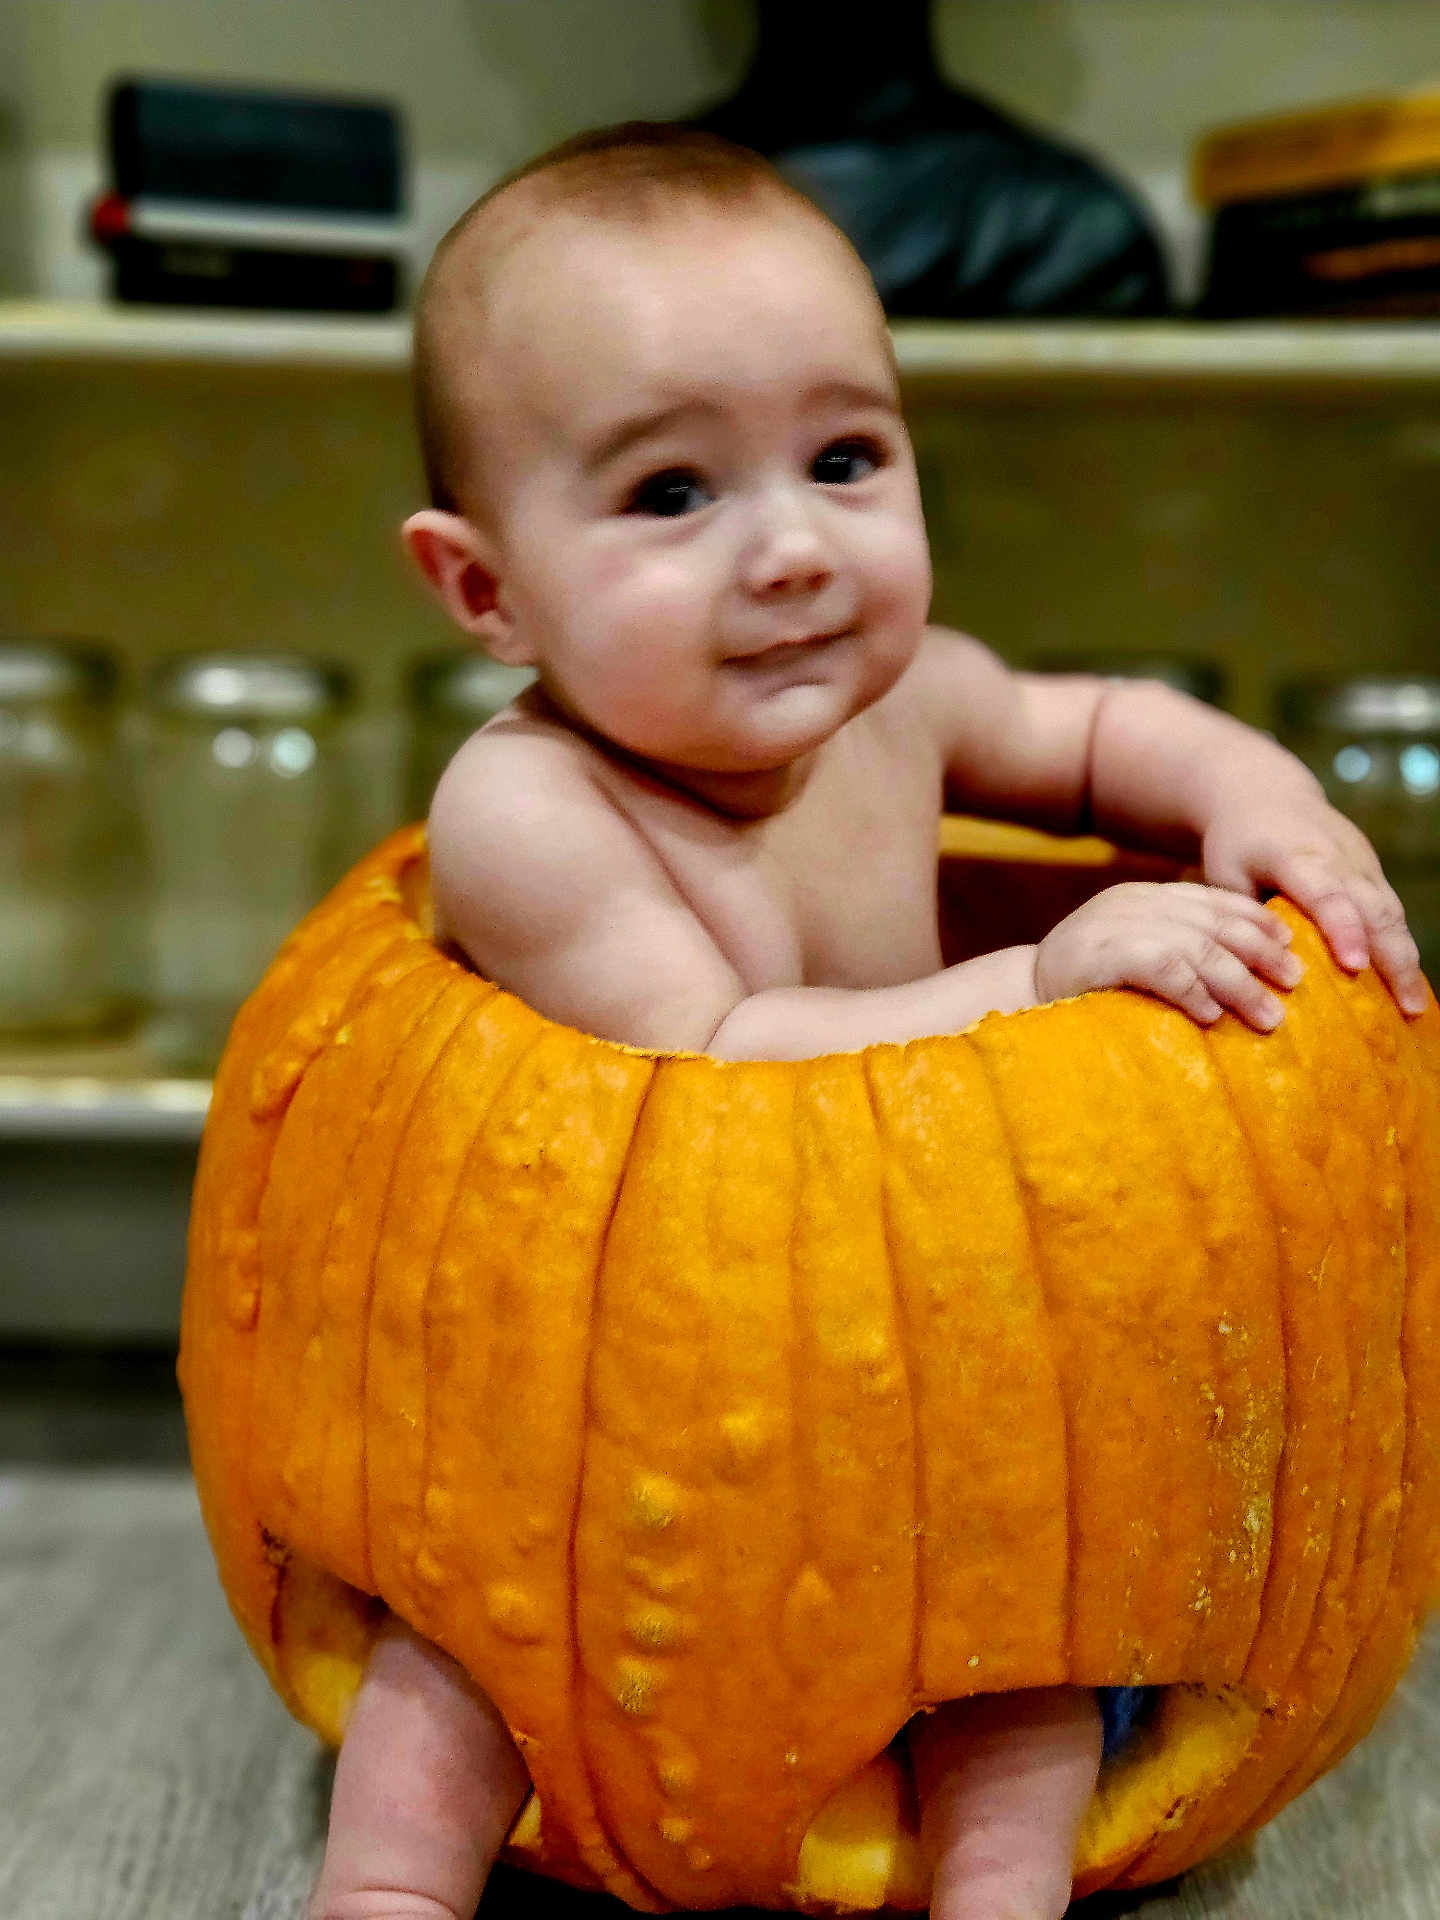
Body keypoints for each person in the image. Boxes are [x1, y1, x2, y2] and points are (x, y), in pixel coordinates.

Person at [309, 123, 1426, 1920]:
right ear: (484, 588)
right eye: (673, 494)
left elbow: (1088, 729)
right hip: (612, 1458)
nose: (793, 551)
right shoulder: (529, 816)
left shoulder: (897, 707)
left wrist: (1265, 797)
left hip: (945, 1429)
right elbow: (719, 1060)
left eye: (844, 458)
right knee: (451, 1687)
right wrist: (1040, 977)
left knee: (1023, 1688)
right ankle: (384, 1900)